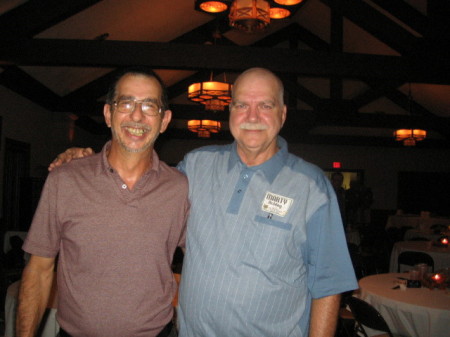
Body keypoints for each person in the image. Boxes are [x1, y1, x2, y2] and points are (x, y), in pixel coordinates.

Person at [49, 68, 357, 337]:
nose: (252, 117)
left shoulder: (311, 186)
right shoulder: (196, 167)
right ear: (230, 111)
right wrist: (87, 161)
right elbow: (143, 181)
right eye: (241, 105)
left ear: (283, 114)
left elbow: (328, 285)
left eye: (265, 105)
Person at [18, 67, 189, 337]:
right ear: (108, 114)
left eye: (149, 106)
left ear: (164, 120)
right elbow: (38, 270)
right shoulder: (65, 179)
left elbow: (209, 255)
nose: (137, 115)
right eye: (127, 103)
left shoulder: (180, 188)